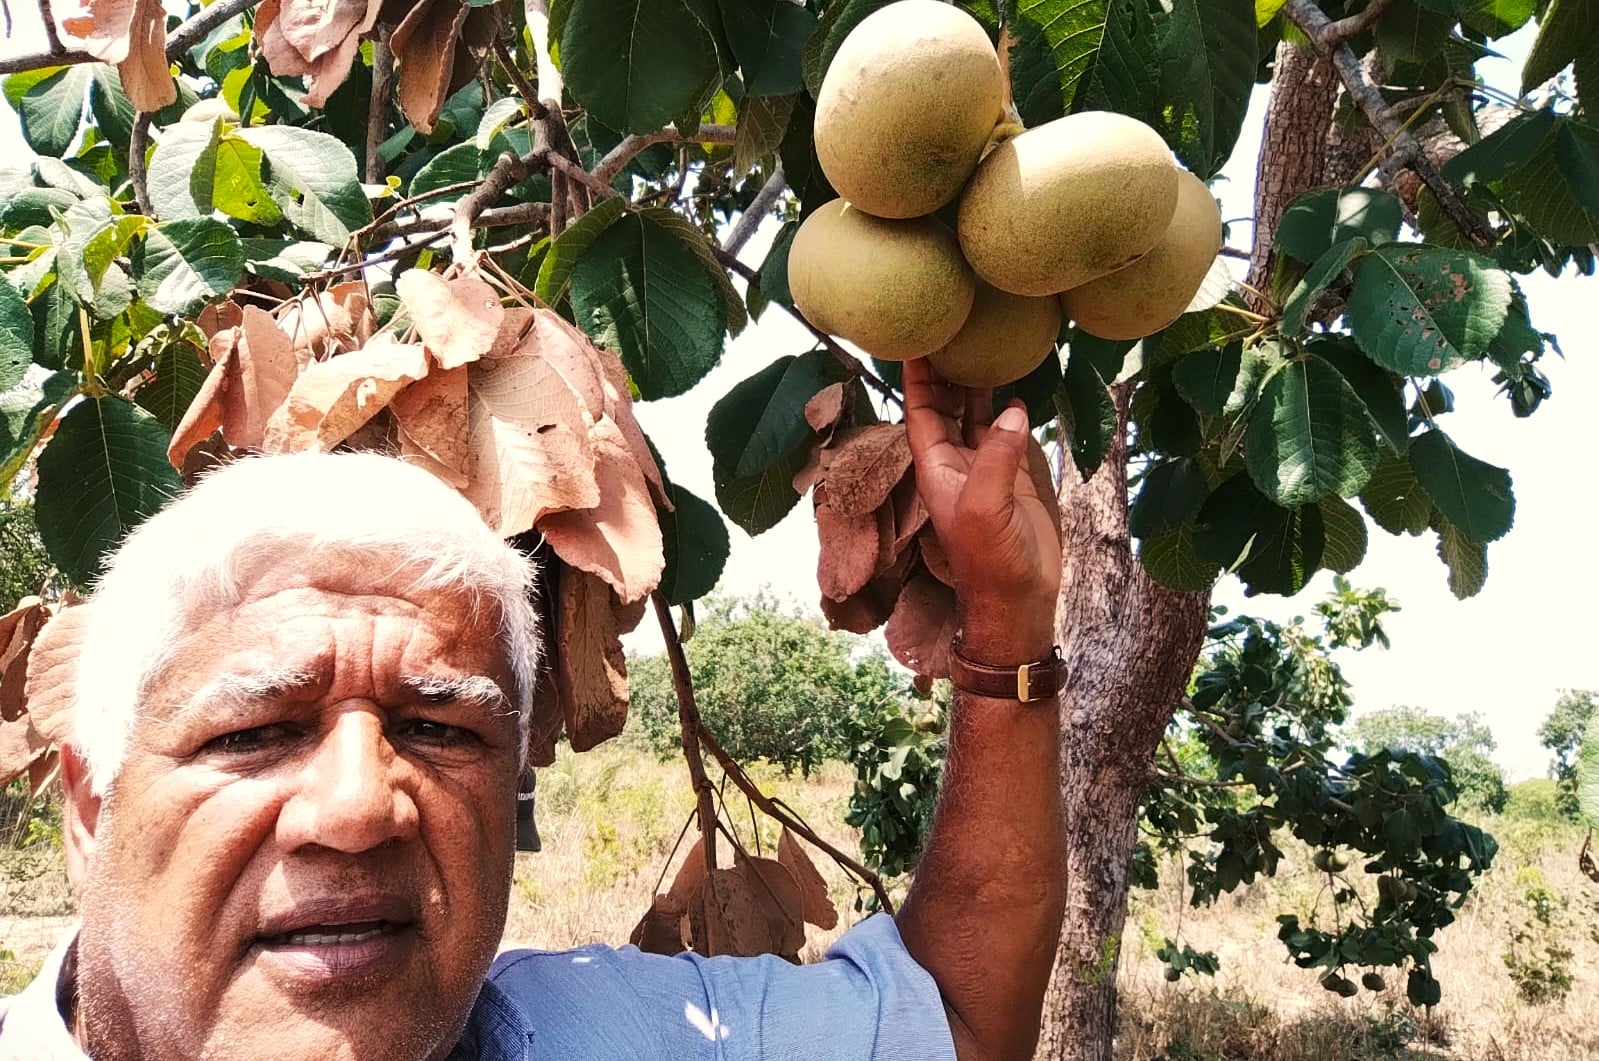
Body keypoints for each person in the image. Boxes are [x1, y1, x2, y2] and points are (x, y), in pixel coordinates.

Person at [0, 358, 1066, 1060]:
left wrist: (1007, 620)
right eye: (254, 731)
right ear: (91, 807)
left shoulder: (596, 1034)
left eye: (438, 728)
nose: (360, 806)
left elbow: (959, 1020)